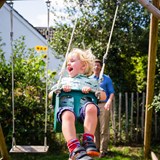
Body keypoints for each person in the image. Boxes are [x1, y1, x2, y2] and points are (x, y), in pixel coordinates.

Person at [49, 48, 106, 160]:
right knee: (67, 114)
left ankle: (88, 141)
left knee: (91, 107)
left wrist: (92, 90)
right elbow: (51, 95)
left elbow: (103, 96)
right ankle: (74, 148)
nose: (68, 63)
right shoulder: (63, 81)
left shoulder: (91, 81)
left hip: (83, 112)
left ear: (83, 66)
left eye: (72, 60)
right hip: (66, 109)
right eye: (68, 62)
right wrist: (60, 90)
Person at [92, 59, 115, 158]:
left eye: (98, 65)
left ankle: (103, 150)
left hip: (103, 104)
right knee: (94, 129)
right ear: (92, 67)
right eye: (95, 65)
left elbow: (111, 92)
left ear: (101, 67)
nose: (96, 67)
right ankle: (96, 148)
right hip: (93, 105)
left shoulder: (106, 79)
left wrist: (109, 102)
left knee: (103, 128)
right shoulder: (89, 79)